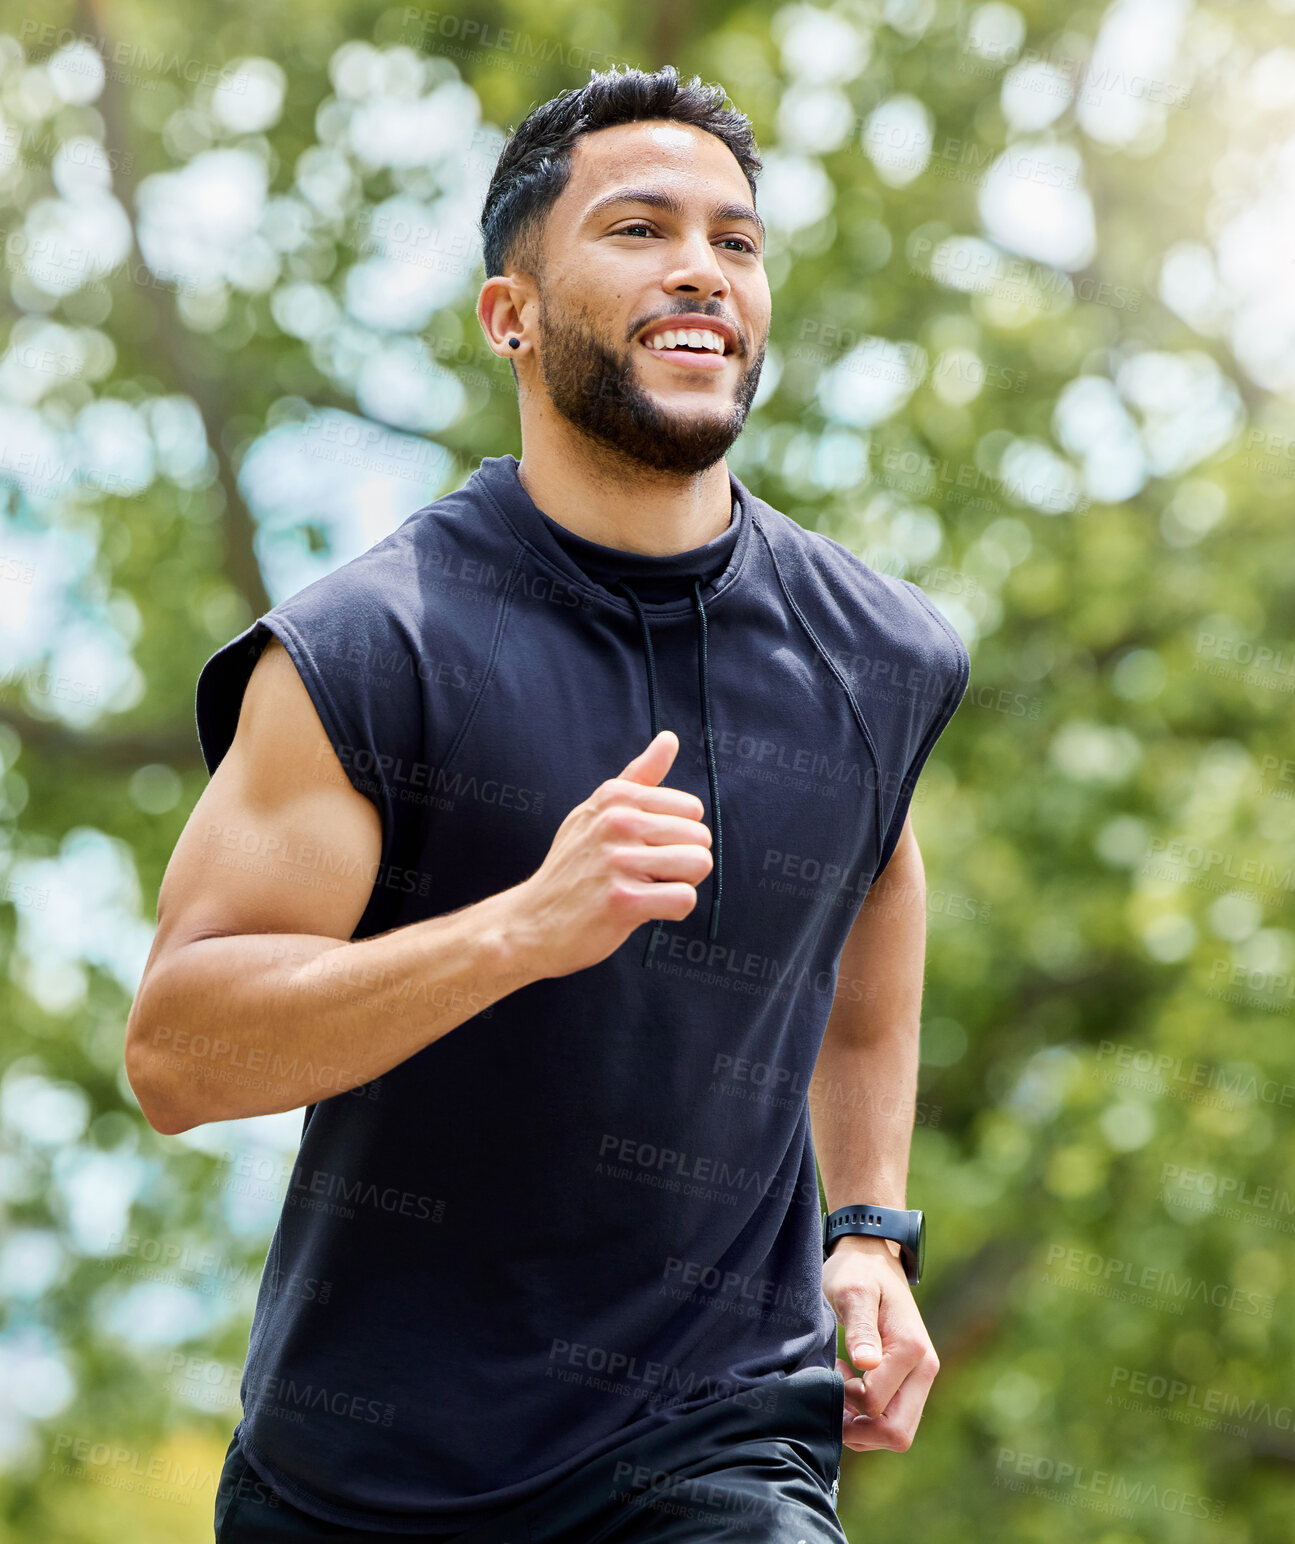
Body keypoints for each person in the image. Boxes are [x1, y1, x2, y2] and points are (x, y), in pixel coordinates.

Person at [125, 62, 969, 1544]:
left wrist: (871, 1230)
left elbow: (876, 888)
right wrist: (519, 930)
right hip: (365, 1484)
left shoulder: (876, 656)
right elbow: (181, 1053)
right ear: (509, 317)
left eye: (737, 238)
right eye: (638, 229)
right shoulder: (371, 649)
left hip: (721, 1441)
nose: (703, 265)